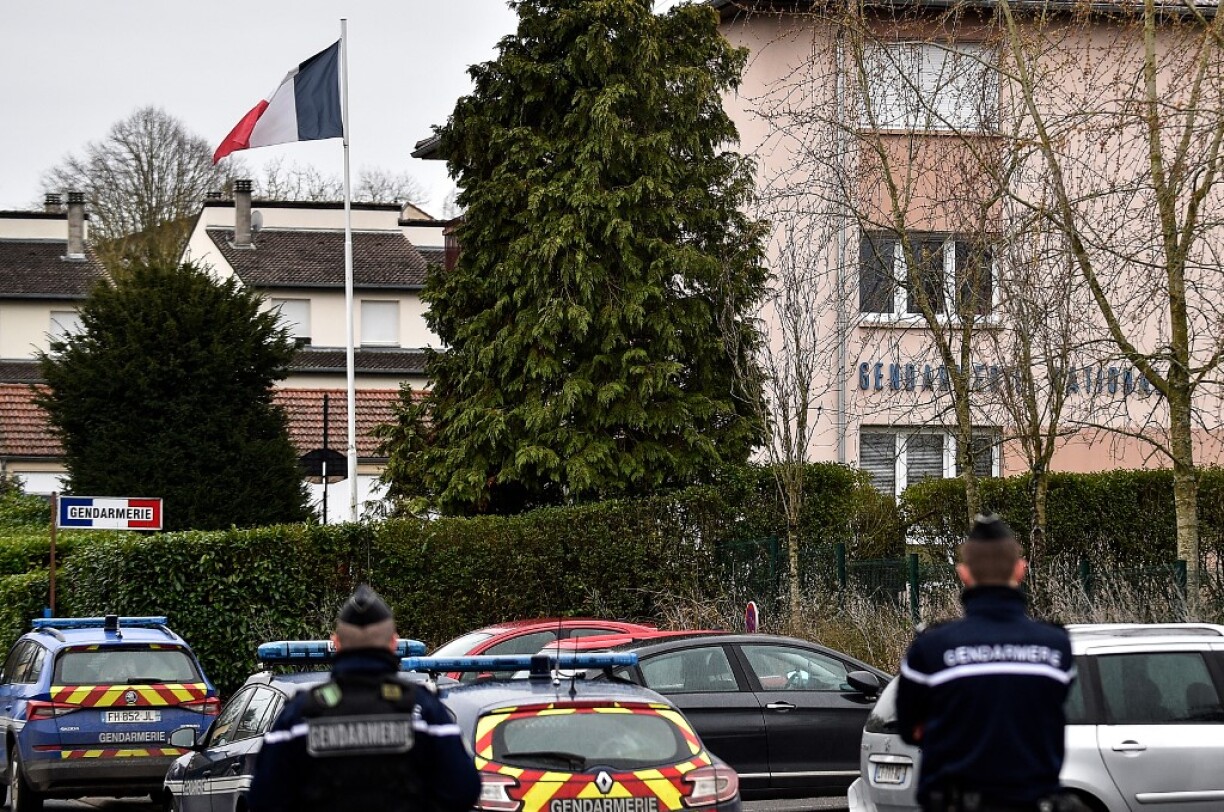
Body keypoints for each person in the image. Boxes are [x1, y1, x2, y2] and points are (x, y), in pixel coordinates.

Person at [896, 515, 1077, 812]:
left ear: (964, 574)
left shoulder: (932, 648)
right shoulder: (1055, 646)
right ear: (1020, 570)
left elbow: (908, 728)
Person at [248, 585, 481, 812]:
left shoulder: (299, 716)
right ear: (393, 643)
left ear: (336, 643)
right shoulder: (424, 711)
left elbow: (263, 799)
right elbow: (463, 790)